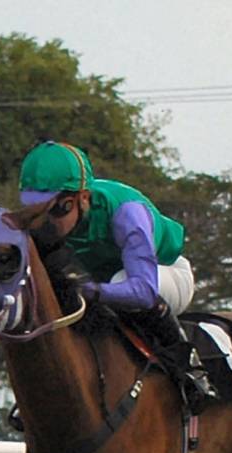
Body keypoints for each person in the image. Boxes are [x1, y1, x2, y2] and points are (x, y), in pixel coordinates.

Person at [16, 140, 216, 412]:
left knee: (119, 282)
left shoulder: (126, 215)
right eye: (35, 211)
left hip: (164, 275)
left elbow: (143, 291)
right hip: (108, 283)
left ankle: (191, 370)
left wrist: (91, 292)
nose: (45, 222)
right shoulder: (52, 223)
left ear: (83, 198)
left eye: (56, 209)